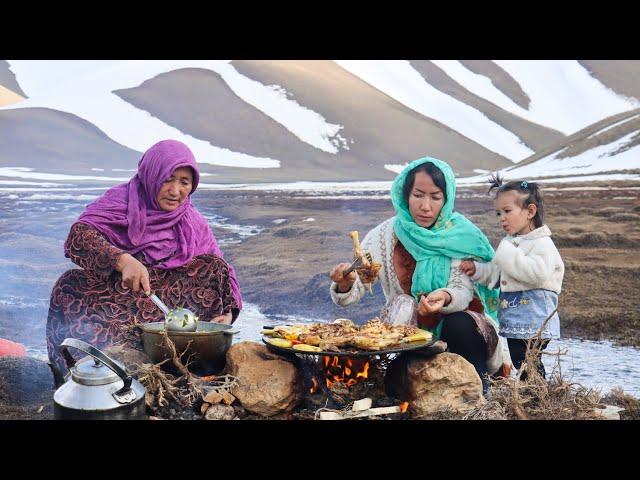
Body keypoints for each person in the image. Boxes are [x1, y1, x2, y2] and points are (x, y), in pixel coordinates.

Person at [46, 140, 242, 375]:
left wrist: (228, 313)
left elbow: (222, 273)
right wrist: (122, 260)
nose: (175, 190)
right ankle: (90, 372)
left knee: (214, 268)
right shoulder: (120, 202)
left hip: (168, 313)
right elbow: (79, 237)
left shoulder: (193, 222)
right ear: (152, 175)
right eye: (168, 179)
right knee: (70, 284)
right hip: (117, 310)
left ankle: (187, 366)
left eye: (184, 182)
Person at [329, 157, 509, 392]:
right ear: (406, 196)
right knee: (404, 304)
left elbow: (462, 288)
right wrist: (345, 284)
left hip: (463, 337)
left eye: (435, 197)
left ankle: (477, 389)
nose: (426, 206)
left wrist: (444, 298)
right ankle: (407, 383)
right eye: (418, 195)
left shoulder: (462, 237)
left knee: (459, 323)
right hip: (409, 335)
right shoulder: (381, 237)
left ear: (446, 199)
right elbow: (358, 287)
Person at [460, 175, 564, 380]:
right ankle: (532, 393)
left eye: (507, 211)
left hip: (536, 317)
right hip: (518, 316)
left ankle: (536, 395)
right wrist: (478, 270)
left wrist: (507, 254)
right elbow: (500, 273)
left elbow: (537, 274)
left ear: (530, 212)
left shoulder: (542, 243)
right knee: (521, 360)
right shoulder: (515, 243)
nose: (502, 218)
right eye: (498, 213)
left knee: (527, 360)